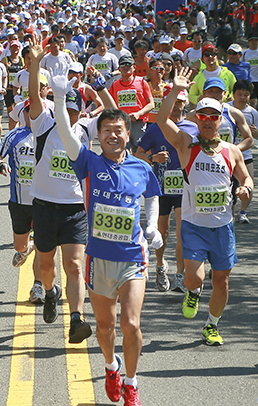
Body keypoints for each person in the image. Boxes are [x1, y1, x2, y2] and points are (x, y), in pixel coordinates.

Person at [50, 65, 163, 406]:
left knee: (130, 324)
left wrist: (153, 225)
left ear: (129, 134)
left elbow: (152, 195)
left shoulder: (141, 167)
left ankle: (131, 382)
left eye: (119, 130)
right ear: (98, 136)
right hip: (98, 258)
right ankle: (110, 366)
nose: (113, 135)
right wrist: (58, 97)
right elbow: (66, 134)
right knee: (104, 327)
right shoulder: (87, 163)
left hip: (132, 257)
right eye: (106, 131)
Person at [157, 66, 252, 347]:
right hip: (194, 226)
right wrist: (175, 90)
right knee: (193, 278)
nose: (208, 121)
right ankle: (193, 292)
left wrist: (245, 188)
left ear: (220, 119)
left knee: (221, 281)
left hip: (223, 227)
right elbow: (162, 120)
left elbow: (245, 176)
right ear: (197, 119)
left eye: (213, 117)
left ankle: (212, 325)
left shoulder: (231, 151)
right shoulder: (186, 145)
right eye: (203, 116)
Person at [28, 36, 112, 344]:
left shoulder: (88, 129)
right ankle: (50, 292)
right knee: (47, 265)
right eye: (68, 109)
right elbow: (34, 97)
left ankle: (76, 319)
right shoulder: (44, 124)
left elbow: (117, 117)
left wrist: (100, 84)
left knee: (75, 265)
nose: (71, 116)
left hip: (76, 208)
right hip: (45, 206)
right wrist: (36, 62)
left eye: (76, 111)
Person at [135, 89, 198, 293]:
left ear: (185, 104)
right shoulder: (155, 129)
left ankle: (180, 274)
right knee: (162, 232)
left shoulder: (192, 128)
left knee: (182, 232)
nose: (177, 105)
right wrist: (153, 159)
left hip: (184, 188)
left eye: (181, 102)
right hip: (160, 188)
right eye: (174, 101)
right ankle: (161, 266)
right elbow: (138, 154)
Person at [0, 98, 44, 303]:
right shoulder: (14, 136)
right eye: (29, 111)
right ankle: (26, 248)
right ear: (23, 114)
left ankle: (37, 286)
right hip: (20, 202)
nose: (32, 115)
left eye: (37, 111)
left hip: (45, 201)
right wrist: (1, 165)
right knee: (20, 246)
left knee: (44, 246)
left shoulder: (51, 134)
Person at [227, 79, 258, 224]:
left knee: (248, 183)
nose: (243, 97)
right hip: (228, 154)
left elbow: (255, 136)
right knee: (230, 186)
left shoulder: (252, 112)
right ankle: (230, 215)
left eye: (246, 95)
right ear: (233, 94)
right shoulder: (226, 109)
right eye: (239, 94)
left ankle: (243, 213)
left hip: (245, 154)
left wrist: (255, 133)